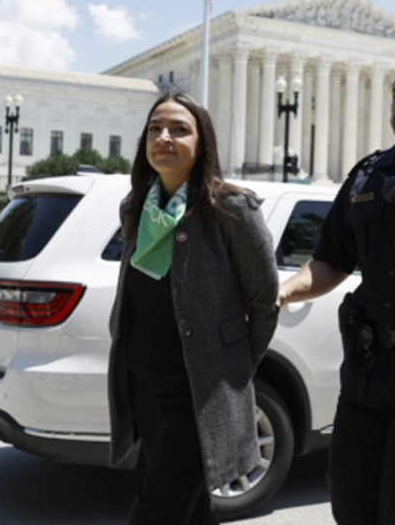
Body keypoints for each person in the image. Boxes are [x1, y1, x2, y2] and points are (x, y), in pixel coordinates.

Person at [277, 55, 395, 525]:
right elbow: (331, 261)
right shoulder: (367, 176)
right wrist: (282, 292)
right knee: (350, 508)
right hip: (364, 376)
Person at [107, 92, 279, 524]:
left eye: (179, 129)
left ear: (203, 143)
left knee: (155, 509)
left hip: (199, 391)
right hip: (143, 382)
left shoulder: (232, 209)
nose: (164, 138)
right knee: (190, 509)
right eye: (155, 129)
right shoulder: (135, 207)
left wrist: (232, 368)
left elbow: (263, 302)